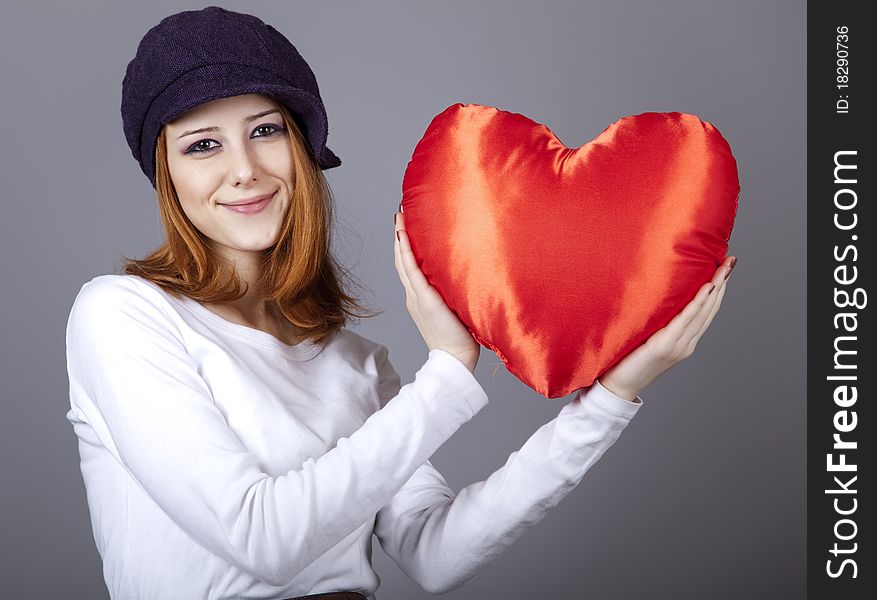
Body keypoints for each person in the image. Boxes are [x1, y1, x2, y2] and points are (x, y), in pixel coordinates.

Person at [65, 6, 736, 600]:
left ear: (301, 148)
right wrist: (446, 371)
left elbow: (436, 554)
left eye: (265, 130)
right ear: (167, 173)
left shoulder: (349, 359)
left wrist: (610, 400)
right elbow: (260, 539)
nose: (243, 167)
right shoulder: (122, 317)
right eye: (202, 144)